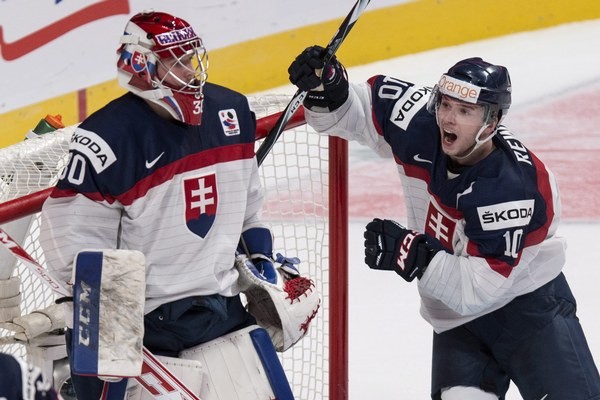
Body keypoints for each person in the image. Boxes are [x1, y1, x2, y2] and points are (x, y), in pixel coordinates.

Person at [288, 47, 600, 399]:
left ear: (491, 123)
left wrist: (413, 255)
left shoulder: (509, 187)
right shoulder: (422, 120)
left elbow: (479, 288)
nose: (448, 119)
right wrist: (328, 86)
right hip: (458, 321)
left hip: (530, 310)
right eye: (446, 105)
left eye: (465, 111)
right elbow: (354, 112)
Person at [39, 10, 298, 399]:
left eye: (191, 59)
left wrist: (261, 259)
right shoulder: (106, 139)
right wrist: (107, 323)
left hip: (220, 306)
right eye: (176, 62)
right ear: (142, 66)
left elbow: (249, 208)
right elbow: (74, 246)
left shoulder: (230, 111)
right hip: (144, 326)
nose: (191, 72)